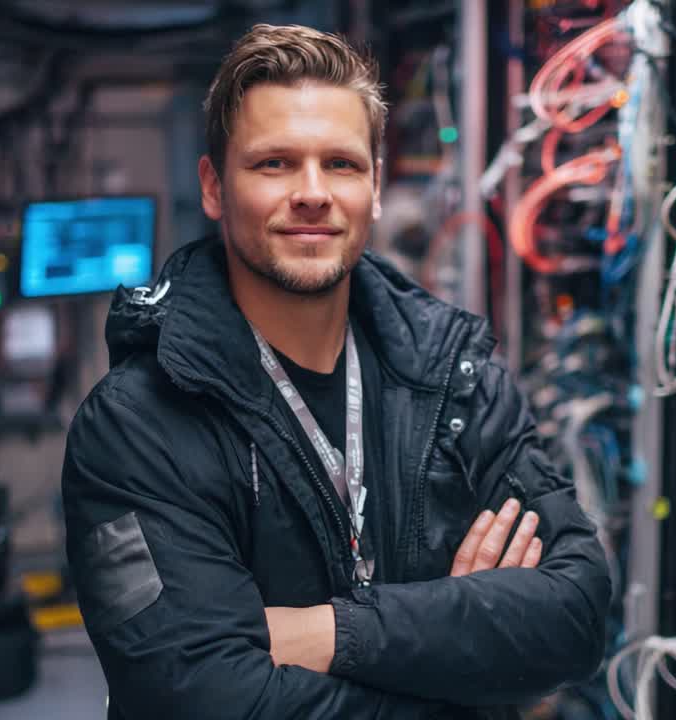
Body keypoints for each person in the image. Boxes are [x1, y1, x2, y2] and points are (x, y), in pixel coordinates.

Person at [61, 23, 610, 719]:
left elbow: (578, 612)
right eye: (275, 164)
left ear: (375, 187)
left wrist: (329, 632)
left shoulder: (453, 381)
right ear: (213, 186)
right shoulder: (137, 424)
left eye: (342, 164)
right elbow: (201, 697)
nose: (313, 192)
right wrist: (464, 660)